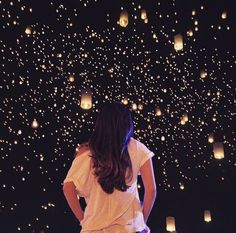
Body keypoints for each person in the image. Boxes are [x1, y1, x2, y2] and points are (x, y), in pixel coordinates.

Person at [63, 102, 156, 233]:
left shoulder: (88, 152)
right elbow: (151, 190)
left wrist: (83, 219)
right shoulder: (138, 148)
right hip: (129, 228)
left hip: (95, 228)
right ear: (127, 124)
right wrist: (142, 221)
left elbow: (68, 188)